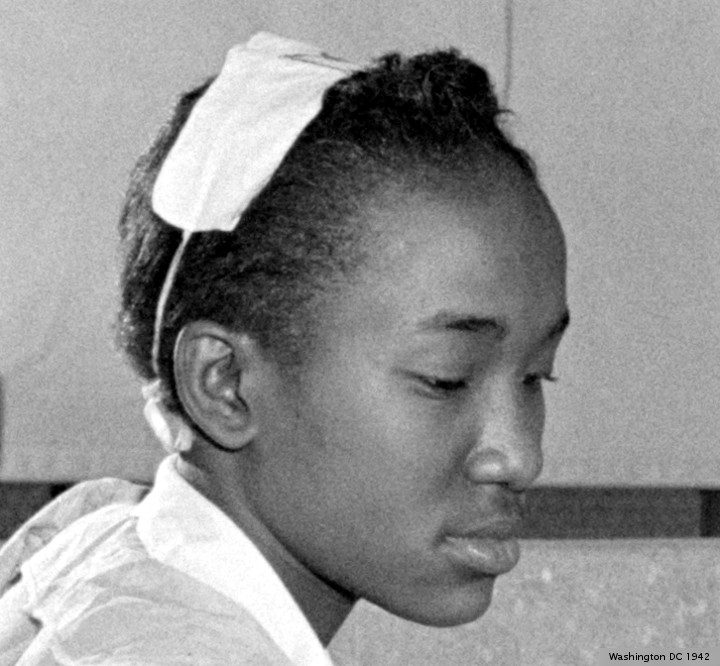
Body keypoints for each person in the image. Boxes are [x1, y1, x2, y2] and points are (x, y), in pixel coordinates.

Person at [0, 32, 569, 665]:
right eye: (447, 378)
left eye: (536, 375)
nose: (521, 457)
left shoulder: (116, 557)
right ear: (225, 383)